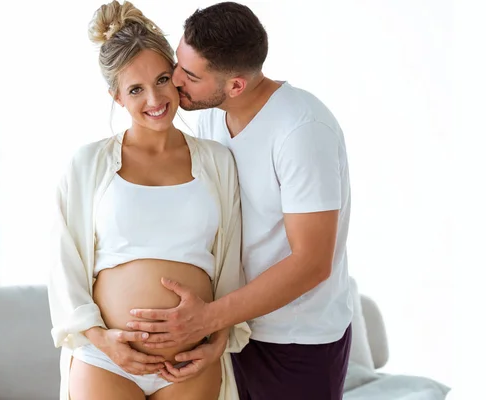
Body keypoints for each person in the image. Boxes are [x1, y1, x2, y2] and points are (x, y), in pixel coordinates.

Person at [127, 2, 353, 399]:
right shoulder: (212, 115)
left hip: (297, 343)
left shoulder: (302, 131)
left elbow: (312, 263)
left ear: (235, 85)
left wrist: (207, 319)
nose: (175, 81)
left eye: (191, 76)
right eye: (179, 63)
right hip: (236, 331)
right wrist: (218, 328)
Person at [47, 1, 250, 399]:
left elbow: (231, 259)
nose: (154, 98)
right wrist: (101, 340)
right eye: (135, 89)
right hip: (106, 358)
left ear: (177, 76)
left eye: (161, 80)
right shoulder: (88, 164)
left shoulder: (217, 161)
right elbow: (63, 262)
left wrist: (219, 338)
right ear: (117, 97)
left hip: (191, 360)